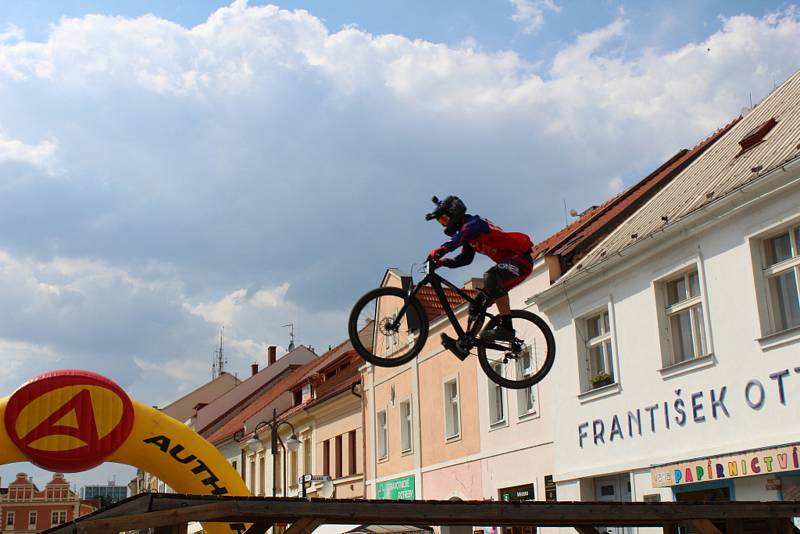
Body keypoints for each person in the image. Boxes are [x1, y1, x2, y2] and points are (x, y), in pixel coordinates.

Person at [425, 195, 534, 353]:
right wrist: (443, 262)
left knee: (491, 275)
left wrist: (441, 250)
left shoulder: (473, 224)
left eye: (444, 219)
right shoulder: (469, 237)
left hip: (521, 259)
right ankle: (465, 344)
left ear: (454, 213)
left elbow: (458, 238)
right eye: (441, 222)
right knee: (477, 304)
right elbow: (464, 259)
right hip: (510, 265)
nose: (445, 224)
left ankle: (507, 329)